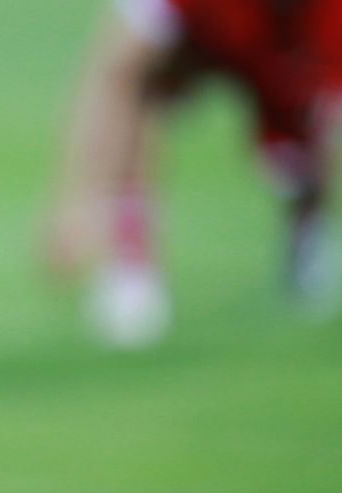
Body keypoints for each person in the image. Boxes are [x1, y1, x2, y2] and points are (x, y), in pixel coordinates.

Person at [49, 0, 342, 345]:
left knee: (304, 143)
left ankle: (307, 227)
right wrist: (77, 200)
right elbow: (117, 70)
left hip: (302, 37)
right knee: (145, 87)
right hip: (213, 30)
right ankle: (130, 259)